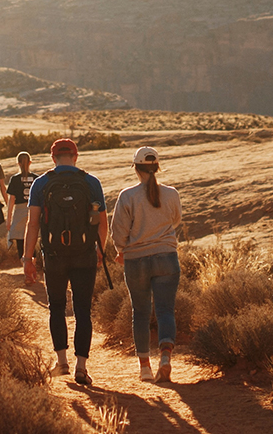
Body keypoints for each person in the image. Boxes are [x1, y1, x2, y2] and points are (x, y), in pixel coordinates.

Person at [22, 138, 108, 386]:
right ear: (76, 156)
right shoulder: (91, 182)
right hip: (85, 254)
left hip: (54, 255)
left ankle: (61, 363)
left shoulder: (42, 183)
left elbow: (33, 224)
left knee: (57, 307)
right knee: (83, 310)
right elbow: (102, 223)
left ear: (53, 158)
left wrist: (28, 258)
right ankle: (82, 366)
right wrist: (99, 250)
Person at [111, 146, 182, 383]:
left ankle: (145, 368)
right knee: (165, 310)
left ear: (136, 169)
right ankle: (165, 357)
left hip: (136, 260)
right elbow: (175, 220)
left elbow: (118, 231)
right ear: (157, 167)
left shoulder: (127, 196)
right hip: (167, 257)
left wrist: (121, 250)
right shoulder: (171, 194)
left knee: (140, 313)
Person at [6, 151, 40, 260]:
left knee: (20, 240)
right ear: (30, 162)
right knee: (32, 238)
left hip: (19, 211)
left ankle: (24, 263)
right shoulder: (36, 178)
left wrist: (9, 219)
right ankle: (33, 262)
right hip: (34, 209)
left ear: (18, 163)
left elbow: (11, 200)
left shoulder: (15, 179)